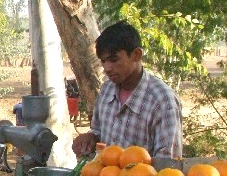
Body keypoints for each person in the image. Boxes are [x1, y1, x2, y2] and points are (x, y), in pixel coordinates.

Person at [72, 20, 182, 159]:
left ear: (136, 55)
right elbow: (98, 132)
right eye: (103, 61)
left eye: (114, 59)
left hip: (143, 174)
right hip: (104, 173)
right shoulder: (107, 90)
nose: (107, 68)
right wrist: (90, 139)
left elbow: (168, 162)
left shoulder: (162, 101)